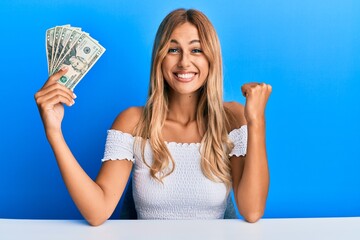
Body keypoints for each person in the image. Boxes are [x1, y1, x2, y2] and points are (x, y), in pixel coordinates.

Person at [34, 8, 272, 226]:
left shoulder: (232, 118)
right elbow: (97, 212)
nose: (184, 62)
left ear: (211, 58)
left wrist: (256, 122)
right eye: (173, 49)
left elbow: (252, 211)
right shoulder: (132, 122)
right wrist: (54, 133)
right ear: (160, 57)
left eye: (196, 50)